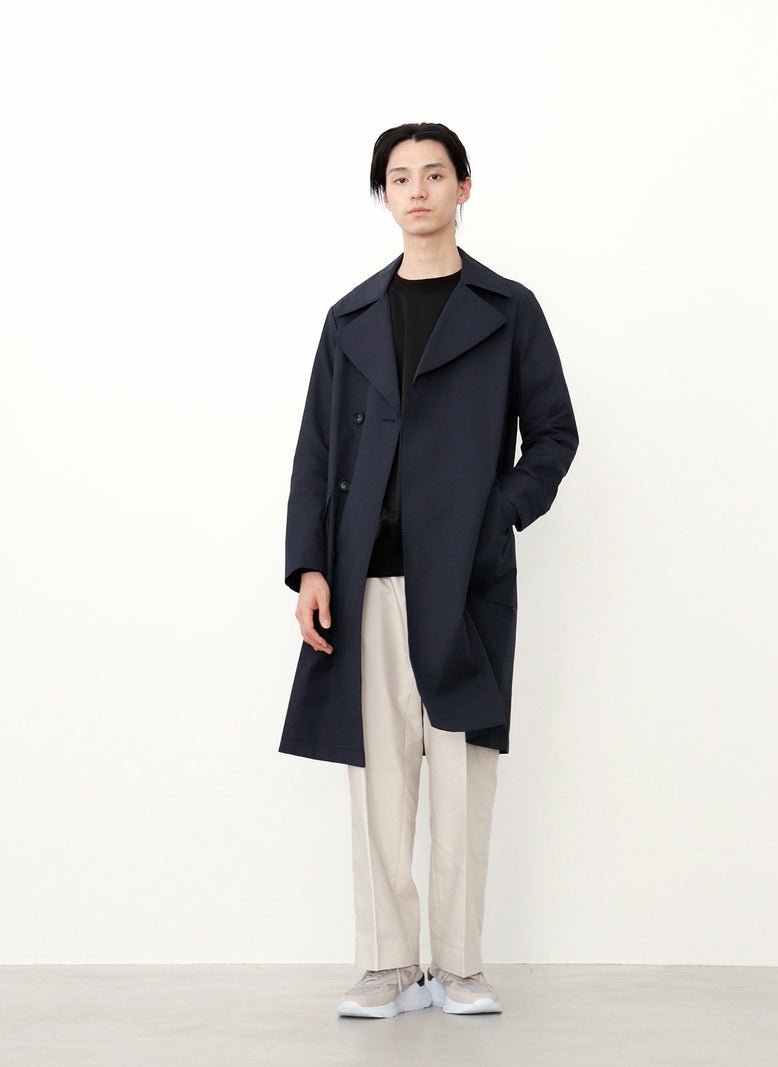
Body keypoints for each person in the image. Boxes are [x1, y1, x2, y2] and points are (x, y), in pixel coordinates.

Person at [280, 122, 579, 1019]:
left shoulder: (508, 308)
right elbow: (315, 450)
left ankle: (458, 965)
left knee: (461, 778)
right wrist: (309, 566)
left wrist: (498, 511)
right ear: (385, 195)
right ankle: (387, 964)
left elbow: (553, 434)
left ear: (463, 188)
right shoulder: (350, 318)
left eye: (435, 174)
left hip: (465, 582)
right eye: (400, 176)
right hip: (362, 578)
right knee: (378, 781)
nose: (417, 189)